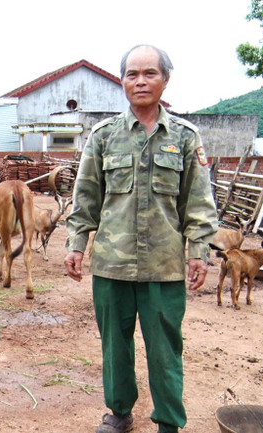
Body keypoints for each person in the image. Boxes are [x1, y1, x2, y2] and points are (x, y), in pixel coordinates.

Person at [64, 45, 218, 433]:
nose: (141, 81)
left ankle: (168, 422)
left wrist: (198, 252)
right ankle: (119, 412)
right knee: (115, 346)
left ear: (165, 79)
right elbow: (86, 198)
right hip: (112, 265)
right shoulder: (103, 137)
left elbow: (198, 203)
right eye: (132, 74)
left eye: (150, 73)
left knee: (166, 351)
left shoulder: (185, 137)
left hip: (164, 268)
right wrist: (76, 244)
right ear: (122, 82)